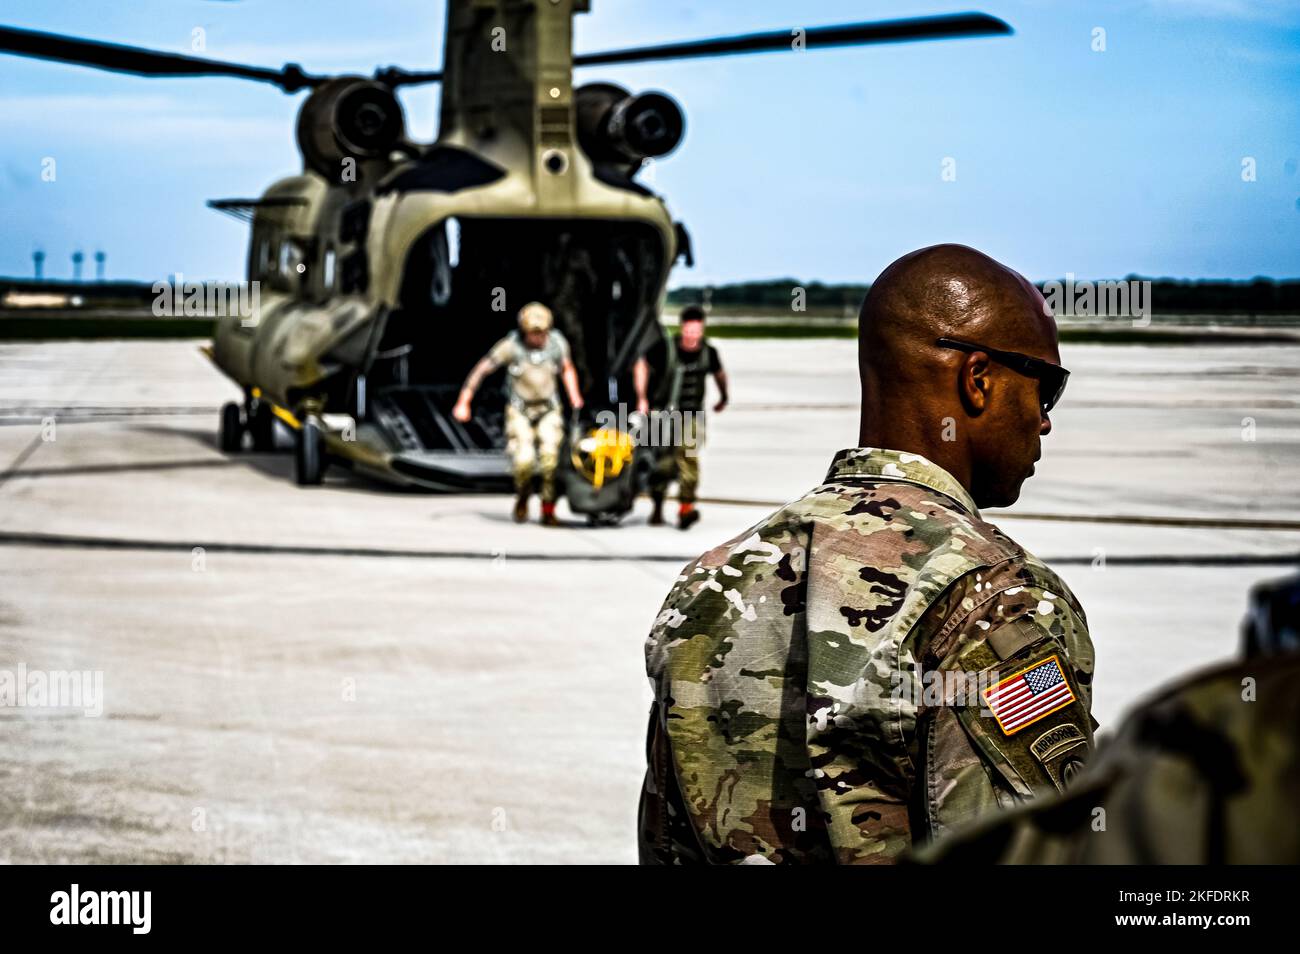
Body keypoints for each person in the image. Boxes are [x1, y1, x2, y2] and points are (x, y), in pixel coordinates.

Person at [637, 244, 1095, 864]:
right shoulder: (995, 600)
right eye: (1047, 387)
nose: (1044, 421)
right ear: (978, 380)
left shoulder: (710, 583)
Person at [453, 302, 583, 526]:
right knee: (524, 461)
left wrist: (574, 395)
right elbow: (482, 370)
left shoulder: (556, 344)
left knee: (550, 460)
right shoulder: (511, 347)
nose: (538, 337)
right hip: (520, 409)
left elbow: (567, 368)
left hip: (548, 409)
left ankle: (548, 509)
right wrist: (464, 401)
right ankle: (523, 494)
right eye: (533, 333)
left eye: (542, 332)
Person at [633, 305, 728, 530]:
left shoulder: (708, 352)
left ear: (702, 330)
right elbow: (641, 365)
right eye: (689, 331)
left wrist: (724, 397)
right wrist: (642, 398)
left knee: (689, 459)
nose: (692, 336)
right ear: (683, 327)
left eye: (696, 332)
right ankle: (657, 505)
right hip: (664, 413)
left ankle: (686, 509)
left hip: (691, 415)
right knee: (663, 464)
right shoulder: (665, 348)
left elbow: (719, 374)